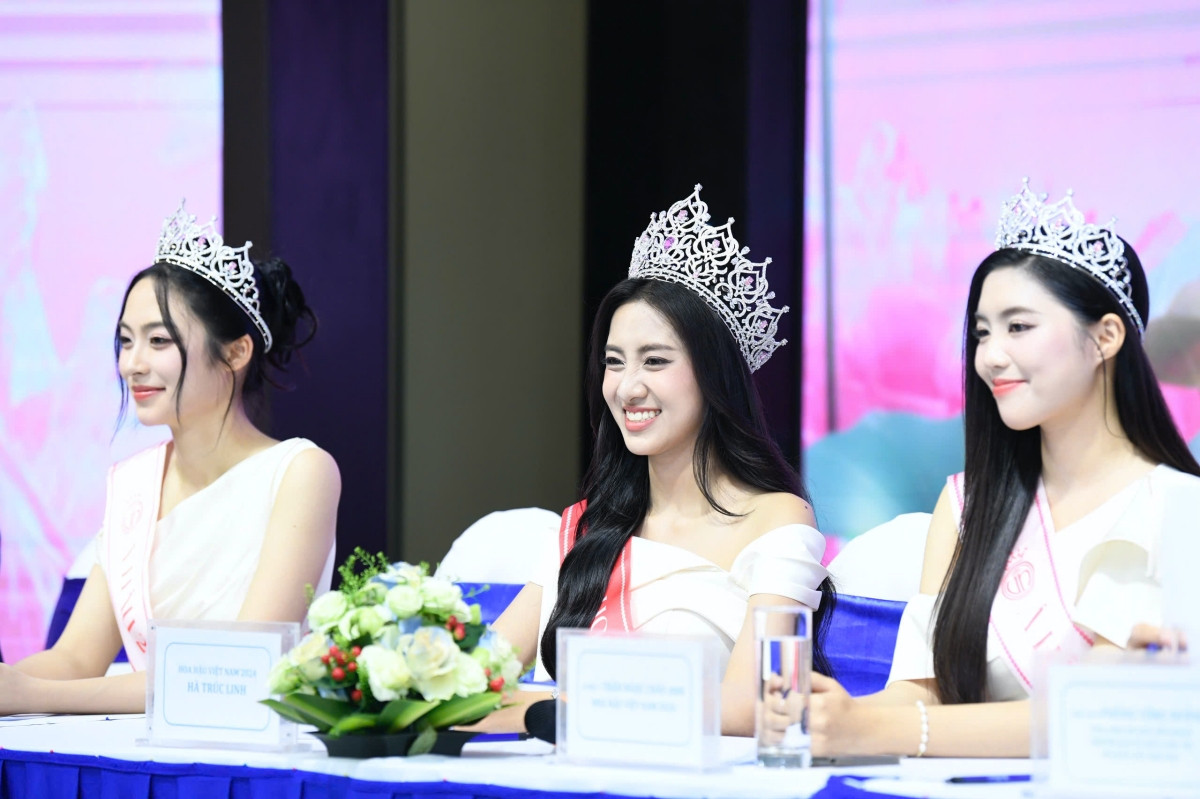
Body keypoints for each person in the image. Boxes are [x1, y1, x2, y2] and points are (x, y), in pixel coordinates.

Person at [798, 180, 1200, 757]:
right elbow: (921, 690)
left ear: (1106, 337)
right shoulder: (966, 505)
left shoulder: (1177, 506)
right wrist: (836, 713)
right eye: (982, 332)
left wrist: (875, 731)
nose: (989, 356)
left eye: (1019, 327)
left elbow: (1095, 710)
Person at [486, 185, 834, 737]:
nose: (627, 388)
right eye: (614, 362)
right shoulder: (583, 529)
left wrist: (545, 712)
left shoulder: (777, 521)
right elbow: (470, 686)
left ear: (714, 375)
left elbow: (762, 706)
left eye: (655, 361)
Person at [0, 203, 341, 714]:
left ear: (236, 352)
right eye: (125, 341)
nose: (131, 364)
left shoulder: (299, 472)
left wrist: (34, 694)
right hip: (136, 747)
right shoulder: (133, 484)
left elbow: (239, 671)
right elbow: (74, 658)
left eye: (158, 341)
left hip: (246, 749)